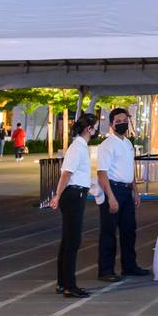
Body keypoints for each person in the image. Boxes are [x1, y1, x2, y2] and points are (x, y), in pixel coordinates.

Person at [48, 112, 98, 299]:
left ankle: (63, 282)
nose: (95, 131)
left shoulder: (80, 146)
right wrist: (57, 195)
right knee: (72, 241)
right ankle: (69, 285)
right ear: (88, 129)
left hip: (77, 192)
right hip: (73, 194)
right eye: (94, 128)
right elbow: (66, 173)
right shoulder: (77, 147)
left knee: (68, 240)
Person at [96, 107, 149, 281]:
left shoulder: (127, 143)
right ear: (111, 124)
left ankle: (129, 266)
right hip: (113, 189)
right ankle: (106, 270)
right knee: (109, 231)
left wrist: (135, 191)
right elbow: (102, 173)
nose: (122, 124)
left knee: (129, 230)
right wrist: (110, 197)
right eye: (118, 121)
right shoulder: (107, 145)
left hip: (126, 190)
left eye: (125, 120)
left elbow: (129, 169)